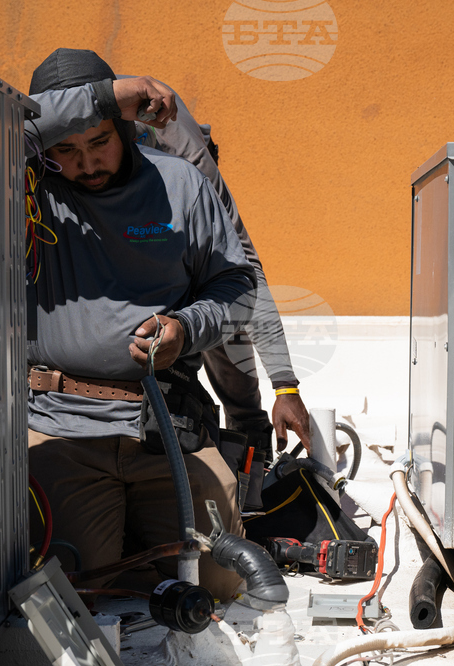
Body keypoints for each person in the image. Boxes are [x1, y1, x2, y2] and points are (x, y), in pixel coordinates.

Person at [23, 48, 255, 600]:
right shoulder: (26, 186)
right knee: (70, 591)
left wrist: (187, 327)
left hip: (166, 427)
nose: (86, 163)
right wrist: (103, 99)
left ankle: (140, 552)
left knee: (226, 586)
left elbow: (238, 289)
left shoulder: (180, 185)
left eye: (99, 140)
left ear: (126, 129)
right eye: (66, 148)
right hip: (61, 429)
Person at [124, 79, 312, 459]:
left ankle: (250, 464)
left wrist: (285, 387)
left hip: (195, 275)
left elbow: (246, 276)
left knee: (223, 304)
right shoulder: (83, 152)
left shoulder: (193, 173)